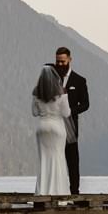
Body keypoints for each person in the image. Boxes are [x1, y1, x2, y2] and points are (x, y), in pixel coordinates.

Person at [53, 47, 90, 195]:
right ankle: (55, 189)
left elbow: (86, 104)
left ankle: (74, 190)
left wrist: (70, 111)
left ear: (70, 60)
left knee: (72, 159)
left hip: (70, 125)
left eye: (63, 61)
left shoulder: (79, 80)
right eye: (57, 61)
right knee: (55, 157)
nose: (60, 64)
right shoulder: (52, 77)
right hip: (54, 124)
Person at [32, 65, 71, 196]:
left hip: (42, 128)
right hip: (56, 128)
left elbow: (34, 112)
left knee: (44, 160)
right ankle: (59, 192)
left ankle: (42, 192)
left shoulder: (36, 95)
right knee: (58, 159)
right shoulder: (62, 95)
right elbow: (66, 113)